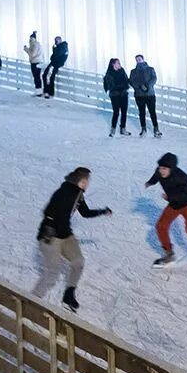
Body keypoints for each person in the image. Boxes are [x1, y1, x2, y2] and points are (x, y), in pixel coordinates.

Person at [33, 166, 112, 311]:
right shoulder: (64, 192)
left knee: (78, 262)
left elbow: (85, 213)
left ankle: (68, 295)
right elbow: (48, 211)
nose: (87, 183)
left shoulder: (78, 194)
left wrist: (103, 211)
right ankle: (31, 302)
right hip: (50, 236)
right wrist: (49, 228)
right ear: (79, 181)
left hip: (65, 234)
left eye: (87, 181)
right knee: (53, 273)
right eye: (85, 181)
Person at [145, 153, 187, 268]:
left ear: (172, 169)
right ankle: (169, 254)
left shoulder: (182, 178)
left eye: (165, 169)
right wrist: (150, 182)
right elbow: (156, 176)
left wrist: (170, 197)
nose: (162, 171)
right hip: (174, 204)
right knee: (161, 226)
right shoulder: (159, 172)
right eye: (161, 168)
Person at [130, 54, 159, 137]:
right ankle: (143, 129)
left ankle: (156, 129)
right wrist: (139, 86)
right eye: (137, 60)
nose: (138, 61)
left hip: (150, 94)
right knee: (141, 112)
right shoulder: (133, 71)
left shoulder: (150, 69)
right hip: (139, 95)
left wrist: (147, 86)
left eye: (139, 59)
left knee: (152, 112)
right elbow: (132, 81)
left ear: (143, 59)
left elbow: (154, 78)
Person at [104, 57, 131, 136]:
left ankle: (123, 129)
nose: (119, 64)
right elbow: (111, 86)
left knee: (124, 112)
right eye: (118, 63)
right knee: (116, 112)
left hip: (123, 95)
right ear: (113, 64)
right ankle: (113, 129)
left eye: (119, 63)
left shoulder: (122, 71)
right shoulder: (109, 74)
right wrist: (122, 86)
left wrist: (125, 86)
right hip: (115, 95)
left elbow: (126, 81)